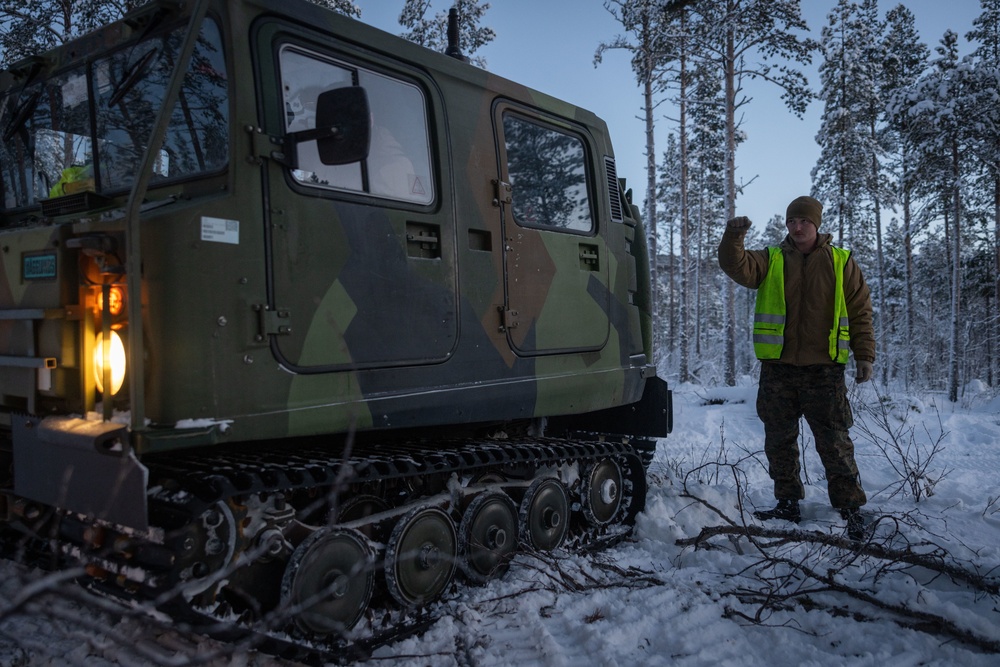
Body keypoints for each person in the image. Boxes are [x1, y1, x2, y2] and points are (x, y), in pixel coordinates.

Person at [718, 195, 875, 540]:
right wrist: (733, 237)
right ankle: (787, 502)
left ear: (816, 224)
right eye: (792, 221)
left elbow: (861, 310)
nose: (797, 227)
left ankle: (850, 509)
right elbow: (736, 265)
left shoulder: (840, 262)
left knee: (834, 442)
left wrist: (865, 355)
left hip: (824, 370)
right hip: (779, 369)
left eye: (804, 221)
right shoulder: (772, 259)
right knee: (779, 440)